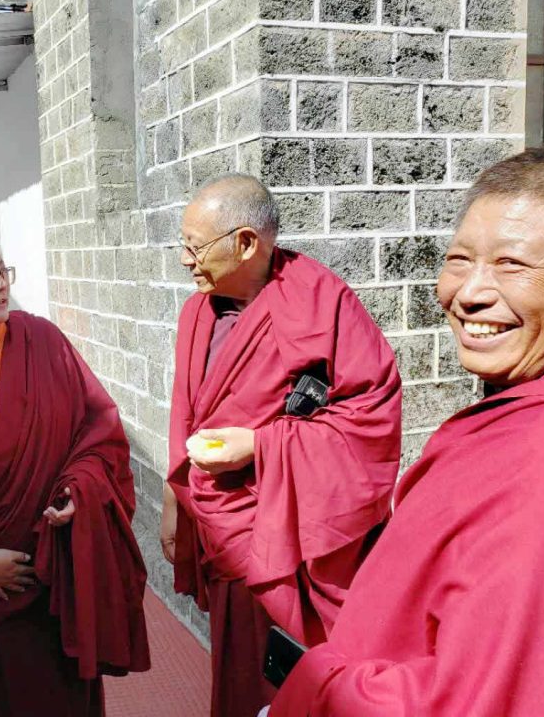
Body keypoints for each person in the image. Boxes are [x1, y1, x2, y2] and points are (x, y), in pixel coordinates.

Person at [269, 146, 544, 716]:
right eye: (459, 259)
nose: (467, 293)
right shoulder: (534, 403)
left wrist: (313, 690)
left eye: (512, 264)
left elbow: (492, 698)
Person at [162, 174, 402, 717]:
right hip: (225, 524)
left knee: (302, 674)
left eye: (194, 246)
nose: (184, 259)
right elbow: (185, 412)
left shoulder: (320, 300)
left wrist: (261, 445)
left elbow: (372, 415)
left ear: (246, 243)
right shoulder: (196, 312)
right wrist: (175, 500)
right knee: (241, 668)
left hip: (293, 527)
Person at [0, 227, 150, 717]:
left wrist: (80, 489)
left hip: (53, 575)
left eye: (3, 271)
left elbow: (97, 429)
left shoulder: (42, 340)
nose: (0, 284)